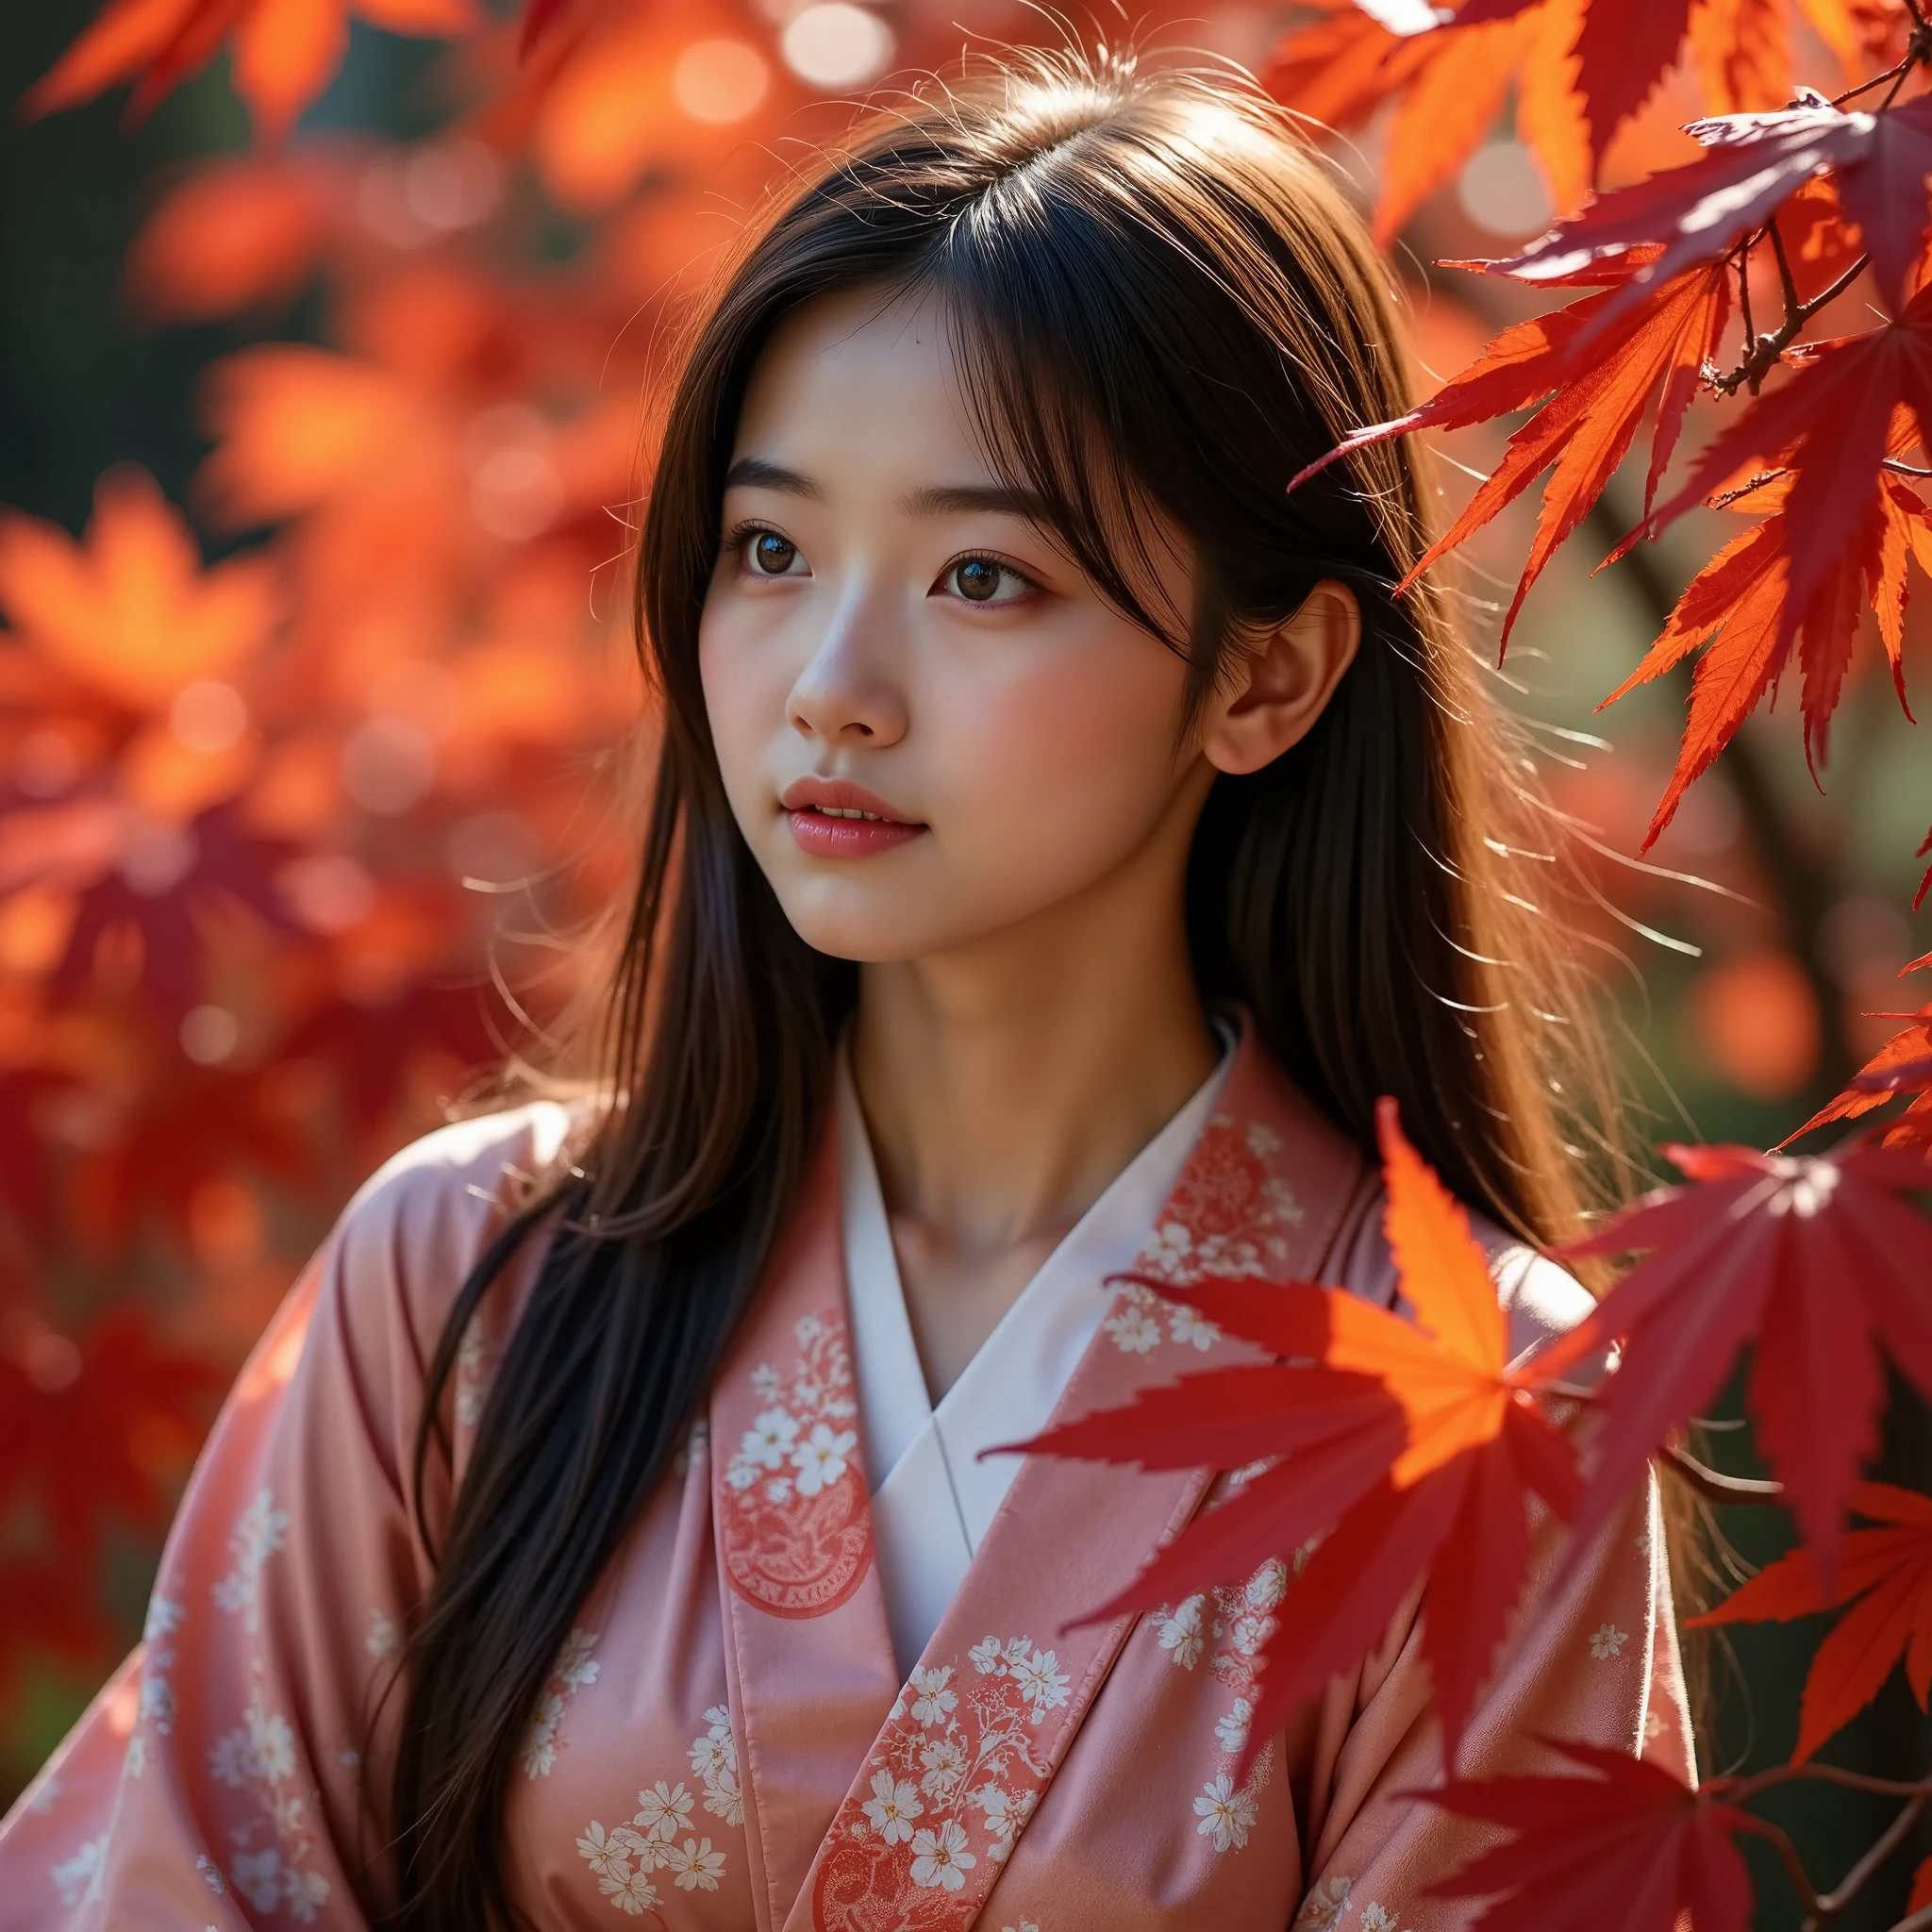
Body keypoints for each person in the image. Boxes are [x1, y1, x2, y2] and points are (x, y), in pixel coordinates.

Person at [0, 47, 1691, 1932]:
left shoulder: (1481, 1405)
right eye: (771, 550)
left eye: (980, 576)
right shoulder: (470, 1280)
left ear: (1265, 678)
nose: (829, 682)